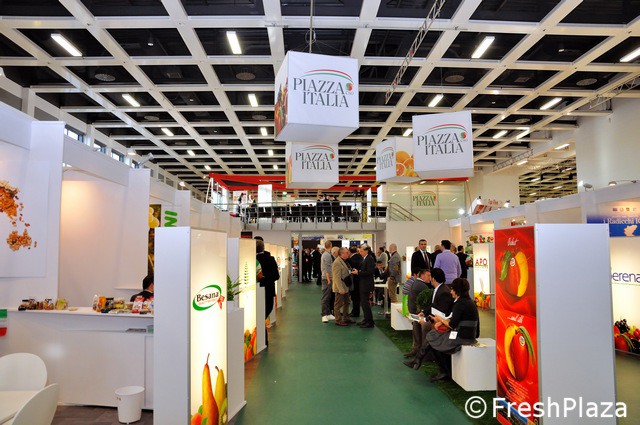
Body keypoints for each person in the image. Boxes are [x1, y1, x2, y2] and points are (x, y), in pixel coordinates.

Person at [425, 278, 479, 382]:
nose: (450, 292)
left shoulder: (460, 303)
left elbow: (452, 324)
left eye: (452, 289)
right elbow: (455, 320)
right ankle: (442, 369)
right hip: (467, 335)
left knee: (434, 339)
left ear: (457, 290)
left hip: (462, 337)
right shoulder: (468, 302)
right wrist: (443, 321)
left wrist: (440, 319)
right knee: (434, 336)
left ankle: (444, 371)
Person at [404, 268, 454, 367]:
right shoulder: (438, 289)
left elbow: (441, 312)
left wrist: (427, 319)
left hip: (441, 320)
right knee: (416, 321)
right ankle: (417, 349)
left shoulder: (443, 291)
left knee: (425, 325)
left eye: (430, 276)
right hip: (438, 317)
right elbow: (433, 306)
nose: (429, 278)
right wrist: (423, 313)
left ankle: (426, 355)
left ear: (433, 278)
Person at [256, 239, 280, 347]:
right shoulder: (270, 259)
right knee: (264, 314)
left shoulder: (252, 259)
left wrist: (261, 281)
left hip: (256, 293)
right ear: (263, 248)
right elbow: (276, 276)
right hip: (269, 291)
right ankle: (263, 341)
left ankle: (261, 342)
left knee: (259, 316)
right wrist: (266, 280)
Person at [404, 269, 431, 358]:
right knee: (421, 329)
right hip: (418, 313)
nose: (430, 278)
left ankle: (416, 349)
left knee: (416, 329)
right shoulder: (422, 286)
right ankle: (422, 352)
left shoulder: (415, 283)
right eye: (428, 275)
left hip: (414, 312)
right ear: (422, 275)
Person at [351, 244, 376, 328]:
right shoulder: (365, 258)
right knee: (364, 303)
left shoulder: (369, 259)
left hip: (366, 284)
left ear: (366, 251)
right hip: (363, 283)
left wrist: (358, 272)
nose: (360, 253)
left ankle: (369, 321)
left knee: (365, 303)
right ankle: (366, 319)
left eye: (361, 251)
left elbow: (370, 272)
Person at [332, 247, 353, 326]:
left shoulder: (345, 261)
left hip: (345, 286)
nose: (348, 254)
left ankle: (346, 318)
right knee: (338, 304)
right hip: (340, 287)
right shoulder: (337, 263)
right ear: (342, 254)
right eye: (346, 252)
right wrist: (340, 289)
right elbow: (336, 277)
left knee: (347, 302)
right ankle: (338, 319)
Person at [320, 241, 335, 323]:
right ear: (331, 246)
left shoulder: (328, 254)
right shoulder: (326, 255)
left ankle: (328, 313)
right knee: (325, 297)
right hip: (327, 278)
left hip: (329, 278)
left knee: (329, 296)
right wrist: (329, 279)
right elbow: (327, 268)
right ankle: (324, 315)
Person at [348, 246, 362, 318]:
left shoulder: (352, 259)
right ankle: (355, 311)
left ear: (350, 252)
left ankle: (355, 312)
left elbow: (352, 268)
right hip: (358, 280)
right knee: (356, 297)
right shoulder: (359, 257)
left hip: (355, 281)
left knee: (355, 297)